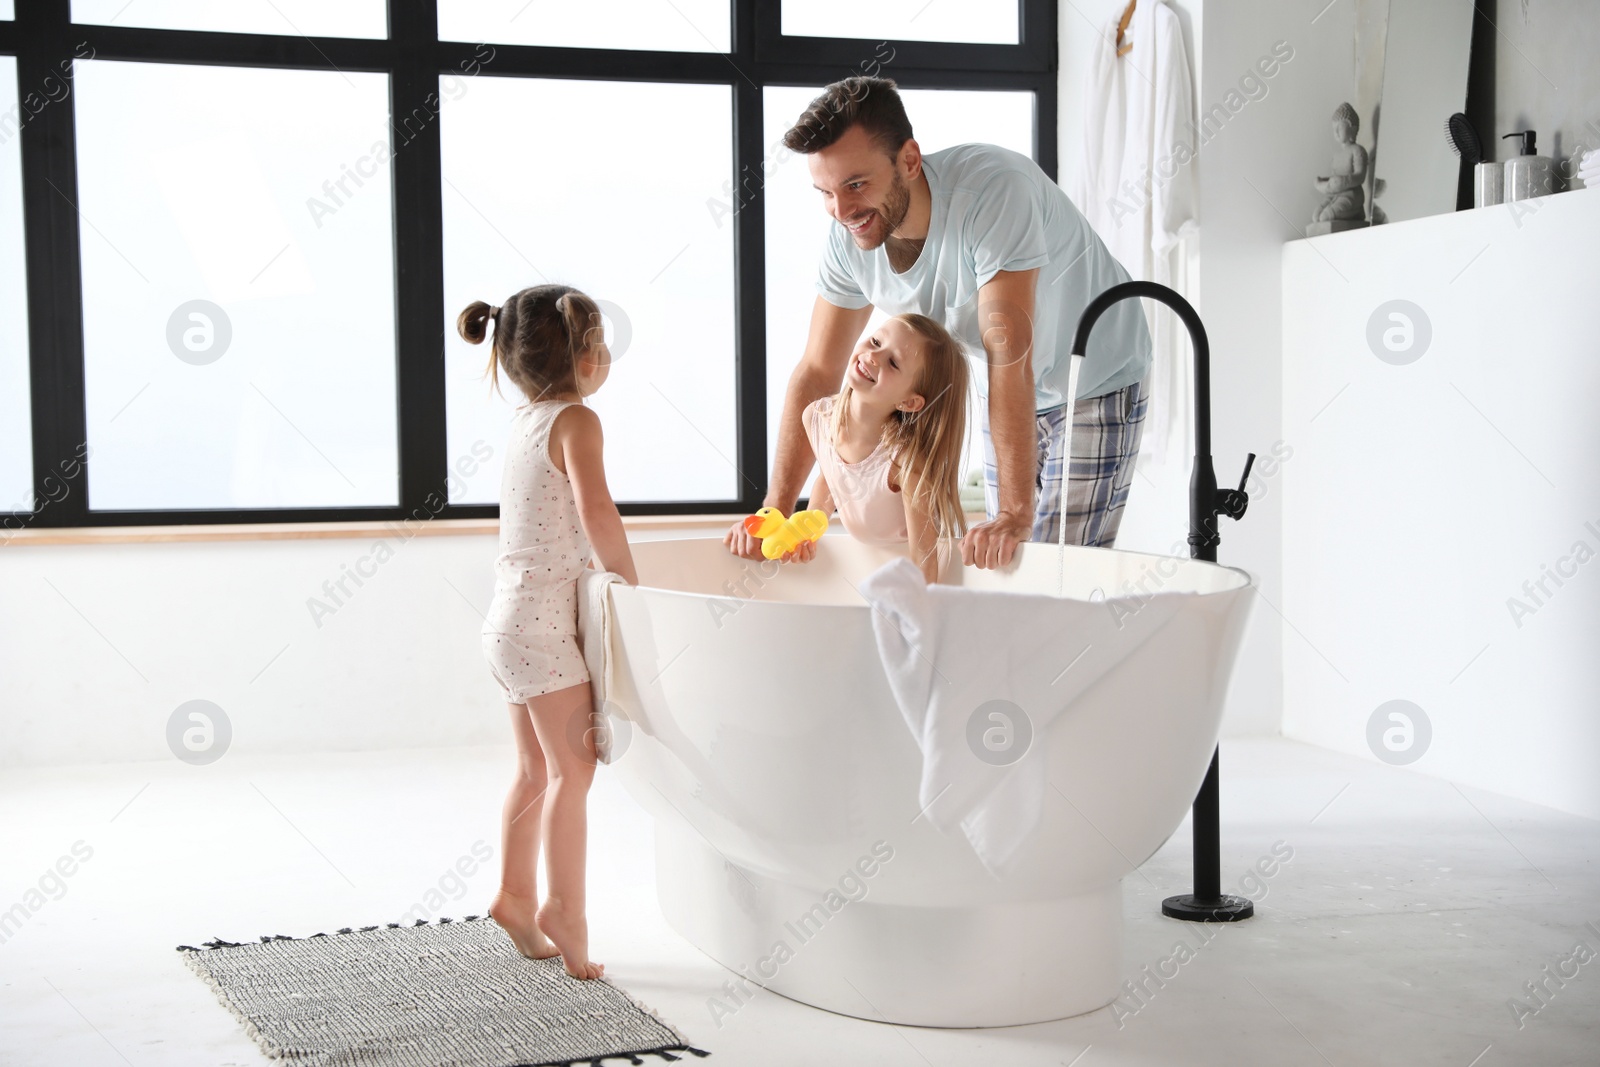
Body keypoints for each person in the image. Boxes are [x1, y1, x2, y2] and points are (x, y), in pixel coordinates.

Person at [725, 76, 1150, 570]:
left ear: (908, 160)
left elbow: (1009, 357)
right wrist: (776, 509)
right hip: (1009, 388)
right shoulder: (848, 239)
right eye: (825, 192)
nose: (842, 211)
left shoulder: (992, 194)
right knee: (1007, 564)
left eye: (856, 184)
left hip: (1093, 374)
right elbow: (819, 369)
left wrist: (1014, 512)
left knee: (1057, 573)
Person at [458, 284, 637, 981]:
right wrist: (631, 583)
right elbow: (598, 510)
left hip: (507, 624)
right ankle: (565, 909)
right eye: (604, 344)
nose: (609, 356)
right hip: (538, 627)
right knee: (575, 770)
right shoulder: (578, 422)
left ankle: (514, 893)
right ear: (585, 355)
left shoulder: (528, 421)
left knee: (536, 769)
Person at [795, 312, 970, 583]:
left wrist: (919, 616)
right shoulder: (817, 418)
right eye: (876, 341)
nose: (873, 356)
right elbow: (830, 478)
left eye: (893, 363)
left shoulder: (905, 462)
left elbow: (924, 557)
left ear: (909, 402)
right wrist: (809, 528)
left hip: (910, 557)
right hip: (871, 556)